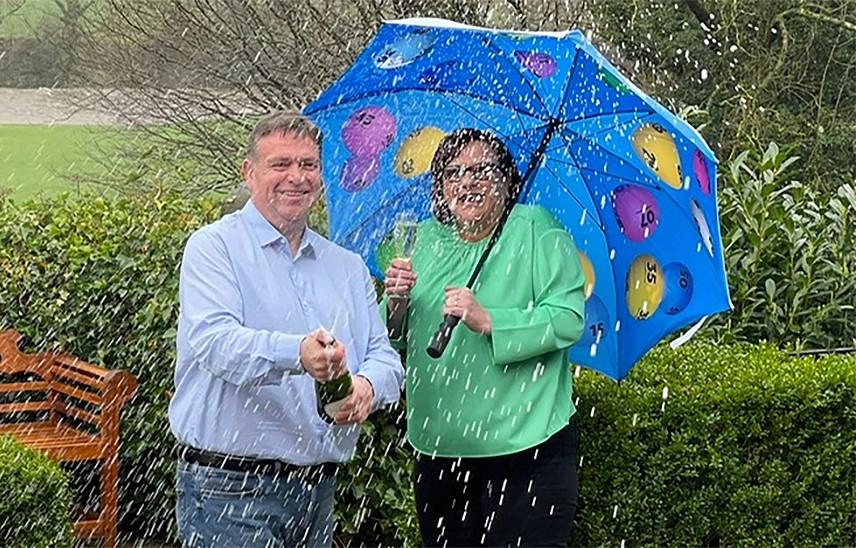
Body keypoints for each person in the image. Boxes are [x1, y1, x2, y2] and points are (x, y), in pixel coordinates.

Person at [169, 111, 404, 547]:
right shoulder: (213, 248)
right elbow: (215, 343)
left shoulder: (347, 267)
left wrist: (368, 387)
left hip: (318, 491)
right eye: (281, 164)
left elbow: (384, 355)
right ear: (249, 172)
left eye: (308, 165)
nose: (296, 177)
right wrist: (298, 354)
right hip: (229, 486)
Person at [383, 128, 585, 547]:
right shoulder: (421, 240)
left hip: (527, 449)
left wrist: (490, 319)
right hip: (440, 451)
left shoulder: (537, 230)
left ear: (508, 180)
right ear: (439, 187)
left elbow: (567, 319)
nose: (467, 182)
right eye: (453, 173)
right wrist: (397, 301)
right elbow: (395, 339)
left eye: (481, 170)